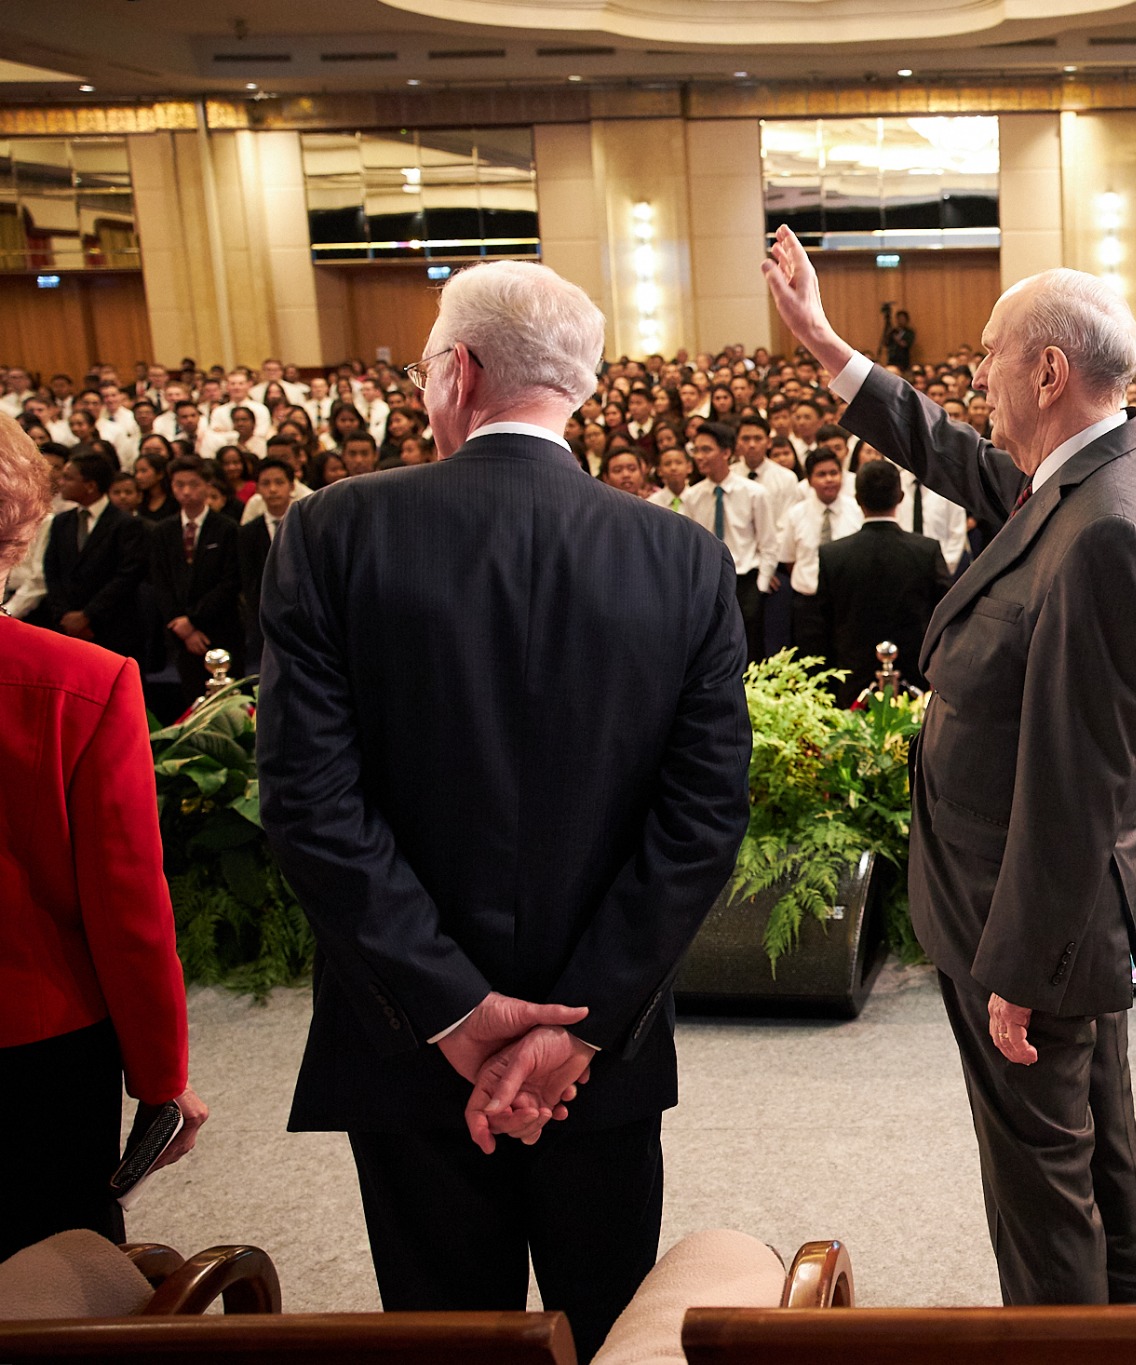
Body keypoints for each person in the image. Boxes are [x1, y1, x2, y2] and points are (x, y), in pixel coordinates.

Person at [256, 261, 752, 1363]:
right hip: (596, 1053)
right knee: (609, 1327)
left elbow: (309, 801)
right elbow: (704, 818)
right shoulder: (681, 554)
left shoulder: (333, 529)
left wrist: (454, 1010)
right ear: (579, 385)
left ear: (458, 372)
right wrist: (574, 1025)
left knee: (447, 1337)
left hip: (406, 1033)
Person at [766, 225, 1136, 1306]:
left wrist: (1022, 962)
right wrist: (827, 348)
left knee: (1042, 1194)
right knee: (1093, 1160)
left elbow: (1074, 780)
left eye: (990, 356)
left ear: (1047, 372)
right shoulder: (1099, 471)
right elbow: (961, 456)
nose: (977, 377)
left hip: (1027, 918)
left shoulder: (1102, 528)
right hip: (1043, 909)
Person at [0, 411, 206, 1262]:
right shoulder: (79, 682)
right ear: (20, 527)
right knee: (55, 1269)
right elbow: (126, 907)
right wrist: (161, 1078)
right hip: (34, 1042)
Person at [814, 459, 950, 705]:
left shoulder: (833, 555)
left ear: (857, 499)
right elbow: (944, 617)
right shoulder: (925, 551)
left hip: (852, 677)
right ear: (900, 496)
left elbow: (822, 627)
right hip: (915, 676)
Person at [29, 450, 147, 662]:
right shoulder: (62, 522)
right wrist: (64, 615)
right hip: (66, 626)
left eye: (68, 478)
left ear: (90, 486)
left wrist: (87, 616)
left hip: (112, 626)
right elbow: (51, 570)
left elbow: (127, 576)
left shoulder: (126, 524)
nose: (61, 482)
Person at [145, 456, 243, 708]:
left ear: (207, 485)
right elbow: (160, 582)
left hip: (219, 627)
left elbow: (230, 581)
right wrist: (182, 625)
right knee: (192, 702)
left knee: (229, 703)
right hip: (180, 634)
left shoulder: (226, 528)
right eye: (180, 485)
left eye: (194, 484)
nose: (186, 491)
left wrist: (194, 620)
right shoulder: (163, 531)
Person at [678, 421, 780, 662]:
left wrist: (760, 586)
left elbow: (768, 543)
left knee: (750, 651)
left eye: (706, 450)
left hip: (745, 580)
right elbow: (689, 545)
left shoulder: (754, 492)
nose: (699, 457)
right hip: (709, 582)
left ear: (726, 452)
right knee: (713, 651)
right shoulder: (692, 496)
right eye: (696, 450)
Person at [779, 447, 865, 663]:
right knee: (811, 666)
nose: (829, 480)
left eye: (834, 473)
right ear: (809, 480)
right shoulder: (796, 514)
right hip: (808, 605)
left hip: (847, 603)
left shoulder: (857, 511)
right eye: (821, 474)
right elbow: (790, 560)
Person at [237, 457, 295, 672]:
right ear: (258, 489)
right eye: (266, 483)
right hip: (263, 617)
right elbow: (248, 580)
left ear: (291, 486)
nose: (273, 489)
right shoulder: (247, 532)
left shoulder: (309, 525)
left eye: (279, 482)